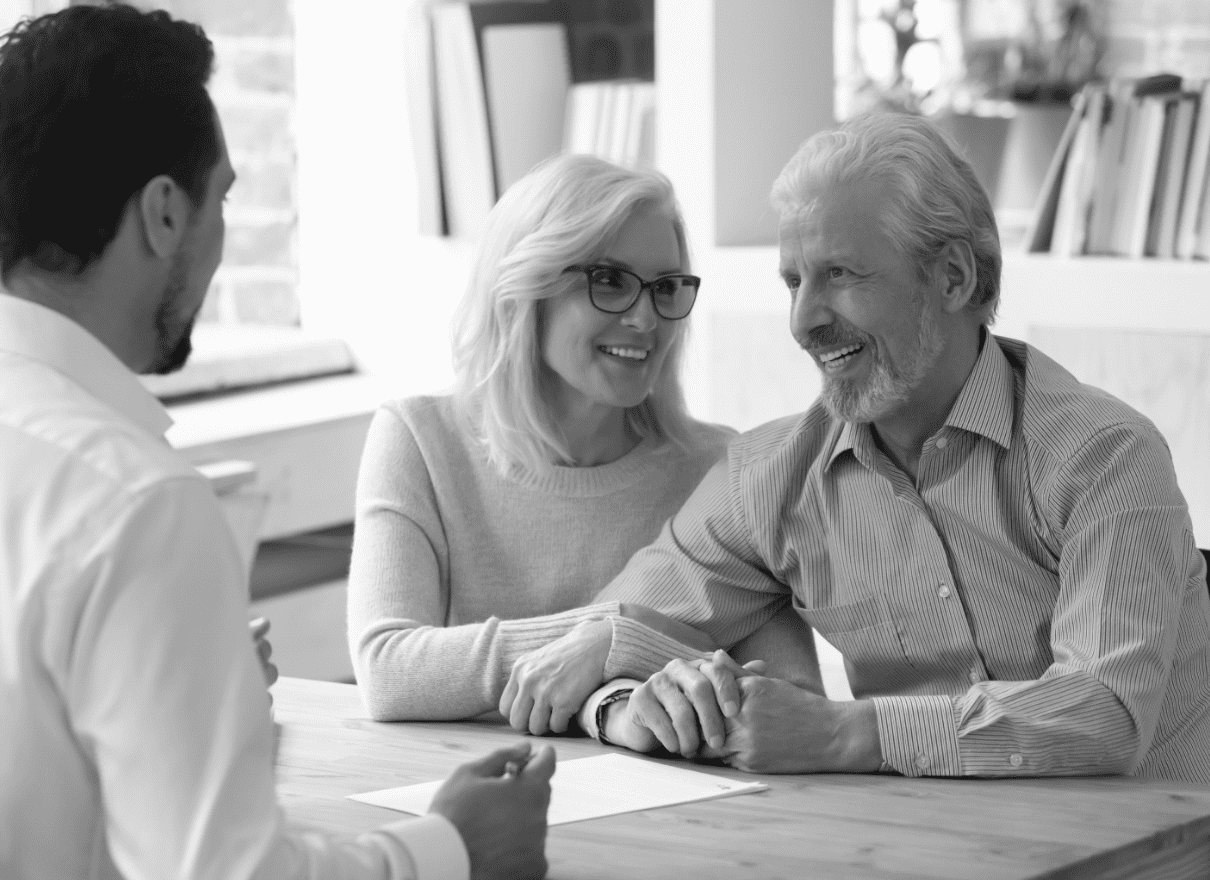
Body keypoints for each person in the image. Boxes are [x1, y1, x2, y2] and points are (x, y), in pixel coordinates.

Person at [0, 7, 553, 880]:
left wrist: (192, 692)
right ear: (164, 213)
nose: (221, 235)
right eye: (222, 197)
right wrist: (451, 852)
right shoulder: (137, 505)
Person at [506, 111, 1210, 783]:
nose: (804, 320)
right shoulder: (769, 481)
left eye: (840, 274)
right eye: (793, 281)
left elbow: (1105, 715)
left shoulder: (1105, 458)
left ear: (954, 278)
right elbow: (596, 645)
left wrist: (843, 731)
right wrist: (621, 699)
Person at [347, 154, 821, 730]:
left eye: (665, 287)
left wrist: (612, 648)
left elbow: (790, 696)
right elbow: (389, 671)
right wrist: (614, 636)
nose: (648, 320)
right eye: (612, 281)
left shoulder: (722, 468)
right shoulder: (418, 441)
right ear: (526, 292)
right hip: (472, 799)